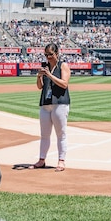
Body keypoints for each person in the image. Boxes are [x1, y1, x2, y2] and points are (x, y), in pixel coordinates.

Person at [31, 43, 71, 172]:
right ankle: (41, 160)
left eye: (50, 54)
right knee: (44, 134)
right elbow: (39, 87)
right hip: (46, 103)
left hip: (60, 103)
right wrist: (39, 76)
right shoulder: (45, 67)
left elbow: (64, 84)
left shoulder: (63, 66)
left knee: (61, 134)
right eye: (46, 55)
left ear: (57, 54)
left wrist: (49, 75)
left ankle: (61, 161)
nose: (48, 57)